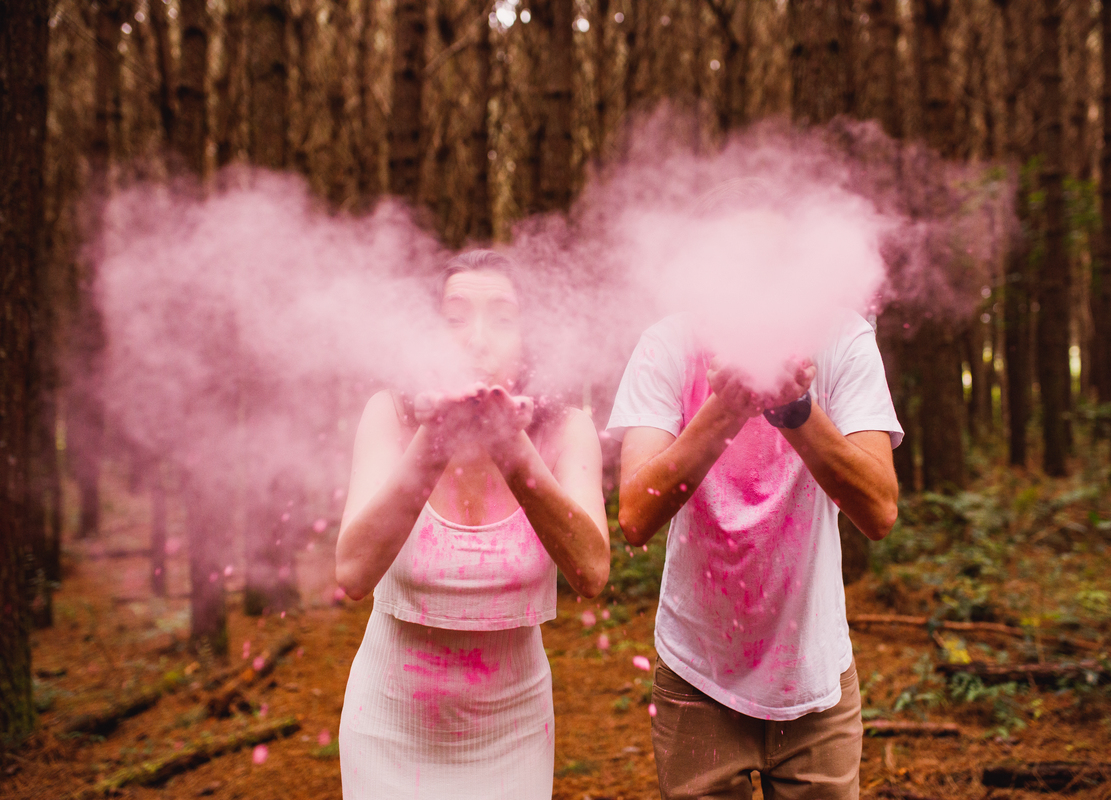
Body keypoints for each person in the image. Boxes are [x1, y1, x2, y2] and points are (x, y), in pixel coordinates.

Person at [335, 249, 610, 799]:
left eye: (503, 320)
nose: (477, 339)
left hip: (513, 733)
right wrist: (435, 441)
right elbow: (353, 572)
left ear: (530, 340)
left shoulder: (568, 429)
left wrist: (512, 448)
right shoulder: (390, 415)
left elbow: (592, 570)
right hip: (388, 727)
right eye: (455, 319)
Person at [608, 297, 901, 796]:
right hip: (696, 674)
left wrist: (796, 411)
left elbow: (879, 510)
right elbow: (636, 515)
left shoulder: (844, 338)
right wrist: (727, 409)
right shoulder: (668, 343)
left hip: (815, 678)